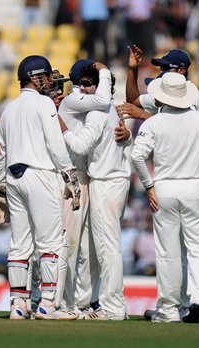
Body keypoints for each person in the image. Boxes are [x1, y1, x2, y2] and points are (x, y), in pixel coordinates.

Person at [131, 72, 199, 323]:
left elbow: (137, 156)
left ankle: (169, 310)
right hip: (195, 187)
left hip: (164, 189)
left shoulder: (154, 122)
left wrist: (149, 186)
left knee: (167, 252)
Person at [0, 55, 80, 321]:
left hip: (14, 177)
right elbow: (55, 144)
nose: (49, 82)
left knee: (20, 244)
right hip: (41, 175)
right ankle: (47, 305)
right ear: (34, 77)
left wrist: (2, 190)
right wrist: (70, 176)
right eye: (45, 77)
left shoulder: (8, 108)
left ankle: (18, 305)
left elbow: (2, 154)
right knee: (51, 242)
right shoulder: (44, 104)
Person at [58, 62, 132, 320]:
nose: (82, 89)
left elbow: (79, 146)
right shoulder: (111, 109)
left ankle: (113, 307)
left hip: (105, 182)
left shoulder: (97, 112)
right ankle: (87, 302)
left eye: (87, 84)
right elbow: (119, 139)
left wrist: (62, 127)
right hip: (113, 179)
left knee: (106, 246)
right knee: (95, 246)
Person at [53, 59, 113, 318]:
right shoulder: (73, 99)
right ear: (83, 84)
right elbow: (102, 101)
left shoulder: (74, 100)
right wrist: (105, 71)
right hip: (71, 177)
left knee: (83, 244)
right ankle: (59, 302)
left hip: (83, 176)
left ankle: (82, 302)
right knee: (69, 242)